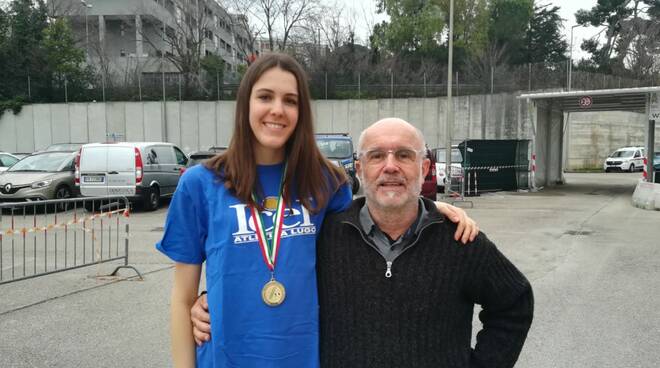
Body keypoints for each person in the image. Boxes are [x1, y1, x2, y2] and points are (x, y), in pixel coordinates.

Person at [158, 53, 478, 368]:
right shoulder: (200, 185)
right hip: (225, 358)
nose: (277, 110)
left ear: (302, 112)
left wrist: (429, 207)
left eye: (290, 100)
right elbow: (182, 299)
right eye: (265, 97)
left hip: (309, 358)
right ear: (245, 104)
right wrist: (206, 298)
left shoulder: (327, 181)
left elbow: (367, 229)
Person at [316, 118, 534, 367]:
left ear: (424, 168)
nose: (390, 167)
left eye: (404, 155)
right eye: (376, 156)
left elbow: (515, 302)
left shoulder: (460, 240)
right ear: (360, 168)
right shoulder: (324, 238)